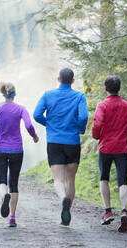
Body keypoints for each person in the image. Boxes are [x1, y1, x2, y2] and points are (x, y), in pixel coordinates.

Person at [33, 68, 88, 226]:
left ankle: (62, 198)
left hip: (54, 141)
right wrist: (80, 128)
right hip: (72, 141)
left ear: (58, 79)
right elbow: (84, 116)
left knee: (58, 179)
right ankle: (67, 210)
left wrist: (49, 125)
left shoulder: (48, 95)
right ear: (72, 80)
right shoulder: (79, 96)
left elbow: (37, 115)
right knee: (71, 179)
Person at [92, 75, 127, 232]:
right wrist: (125, 130)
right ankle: (124, 211)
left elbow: (98, 123)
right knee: (123, 181)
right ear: (119, 88)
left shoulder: (102, 105)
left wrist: (97, 135)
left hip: (105, 147)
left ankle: (107, 211)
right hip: (122, 148)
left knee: (104, 178)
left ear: (105, 88)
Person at [0, 82, 39, 227]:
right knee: (13, 182)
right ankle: (12, 217)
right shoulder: (20, 109)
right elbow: (29, 125)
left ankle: (3, 195)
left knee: (1, 179)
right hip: (16, 149)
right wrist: (34, 136)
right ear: (14, 94)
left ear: (3, 93)